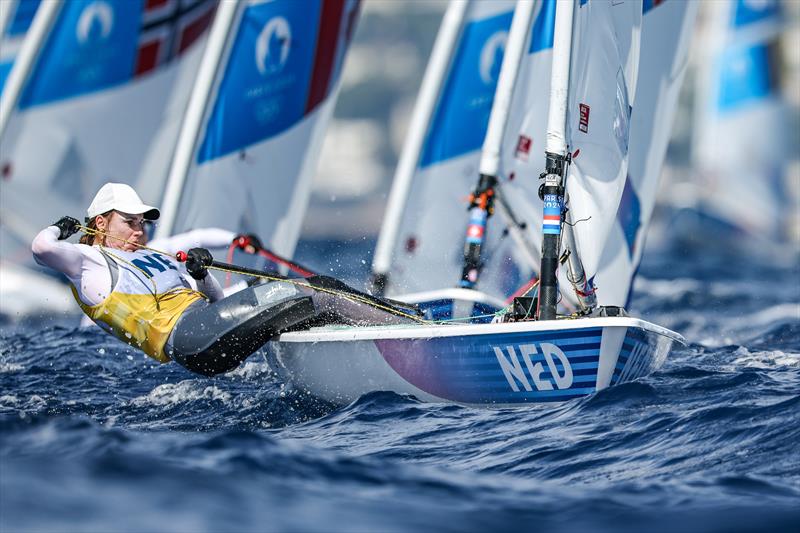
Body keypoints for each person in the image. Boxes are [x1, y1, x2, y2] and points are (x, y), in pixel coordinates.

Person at [32, 183, 415, 376]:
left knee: (321, 290)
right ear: (101, 223)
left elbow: (213, 304)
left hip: (209, 329)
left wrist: (200, 276)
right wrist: (57, 227)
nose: (139, 230)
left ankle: (402, 319)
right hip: (188, 340)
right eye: (129, 223)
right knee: (315, 294)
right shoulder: (88, 262)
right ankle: (419, 333)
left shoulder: (154, 256)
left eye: (142, 223)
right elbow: (40, 248)